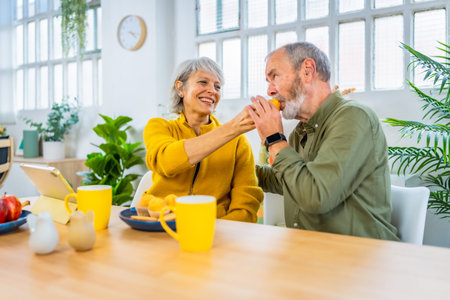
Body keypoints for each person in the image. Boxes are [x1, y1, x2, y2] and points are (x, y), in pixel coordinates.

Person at [246, 42, 399, 240]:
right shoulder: (301, 131)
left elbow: (315, 196)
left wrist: (275, 139)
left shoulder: (353, 117)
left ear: (307, 71)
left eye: (274, 76)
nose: (269, 91)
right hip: (312, 251)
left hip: (360, 257)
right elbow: (289, 180)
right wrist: (234, 165)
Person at [143, 57, 263, 222]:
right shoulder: (159, 127)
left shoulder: (238, 143)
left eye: (217, 86)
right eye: (203, 82)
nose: (212, 90)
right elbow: (166, 162)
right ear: (180, 88)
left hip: (214, 231)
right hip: (159, 225)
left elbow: (245, 209)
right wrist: (232, 128)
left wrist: (211, 232)